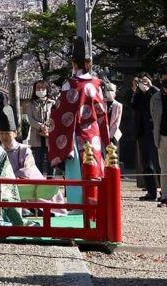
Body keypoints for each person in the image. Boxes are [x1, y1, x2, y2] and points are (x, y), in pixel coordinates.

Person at [48, 38, 110, 196]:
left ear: (74, 64)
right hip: (94, 134)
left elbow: (60, 113)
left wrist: (52, 115)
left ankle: (77, 207)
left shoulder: (69, 84)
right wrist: (106, 139)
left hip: (75, 135)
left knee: (77, 173)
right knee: (94, 169)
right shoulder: (97, 84)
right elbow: (102, 113)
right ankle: (96, 204)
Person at [129, 72, 159, 201]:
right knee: (146, 164)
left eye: (145, 81)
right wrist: (135, 90)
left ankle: (165, 193)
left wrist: (151, 87)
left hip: (154, 132)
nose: (143, 84)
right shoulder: (138, 95)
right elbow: (132, 105)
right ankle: (151, 192)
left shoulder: (155, 92)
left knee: (158, 163)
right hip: (142, 133)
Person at [0, 106, 42, 179]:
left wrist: (8, 177)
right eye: (1, 133)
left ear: (15, 133)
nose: (4, 137)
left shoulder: (24, 150)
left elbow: (27, 171)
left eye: (7, 133)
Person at [26, 80, 54, 175]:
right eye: (38, 88)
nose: (40, 90)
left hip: (50, 136)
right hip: (36, 135)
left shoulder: (52, 103)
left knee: (51, 162)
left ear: (47, 89)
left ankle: (51, 182)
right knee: (38, 161)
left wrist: (48, 129)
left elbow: (55, 118)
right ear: (34, 90)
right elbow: (30, 118)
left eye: (43, 88)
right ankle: (39, 181)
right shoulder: (31, 104)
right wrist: (41, 126)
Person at [151, 71, 167, 206]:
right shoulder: (156, 97)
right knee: (164, 169)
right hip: (162, 136)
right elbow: (154, 117)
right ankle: (165, 196)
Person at [102, 81, 123, 147]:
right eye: (107, 90)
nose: (109, 92)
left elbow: (117, 122)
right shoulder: (101, 103)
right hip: (102, 133)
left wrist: (110, 135)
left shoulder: (118, 105)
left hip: (113, 134)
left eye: (111, 90)